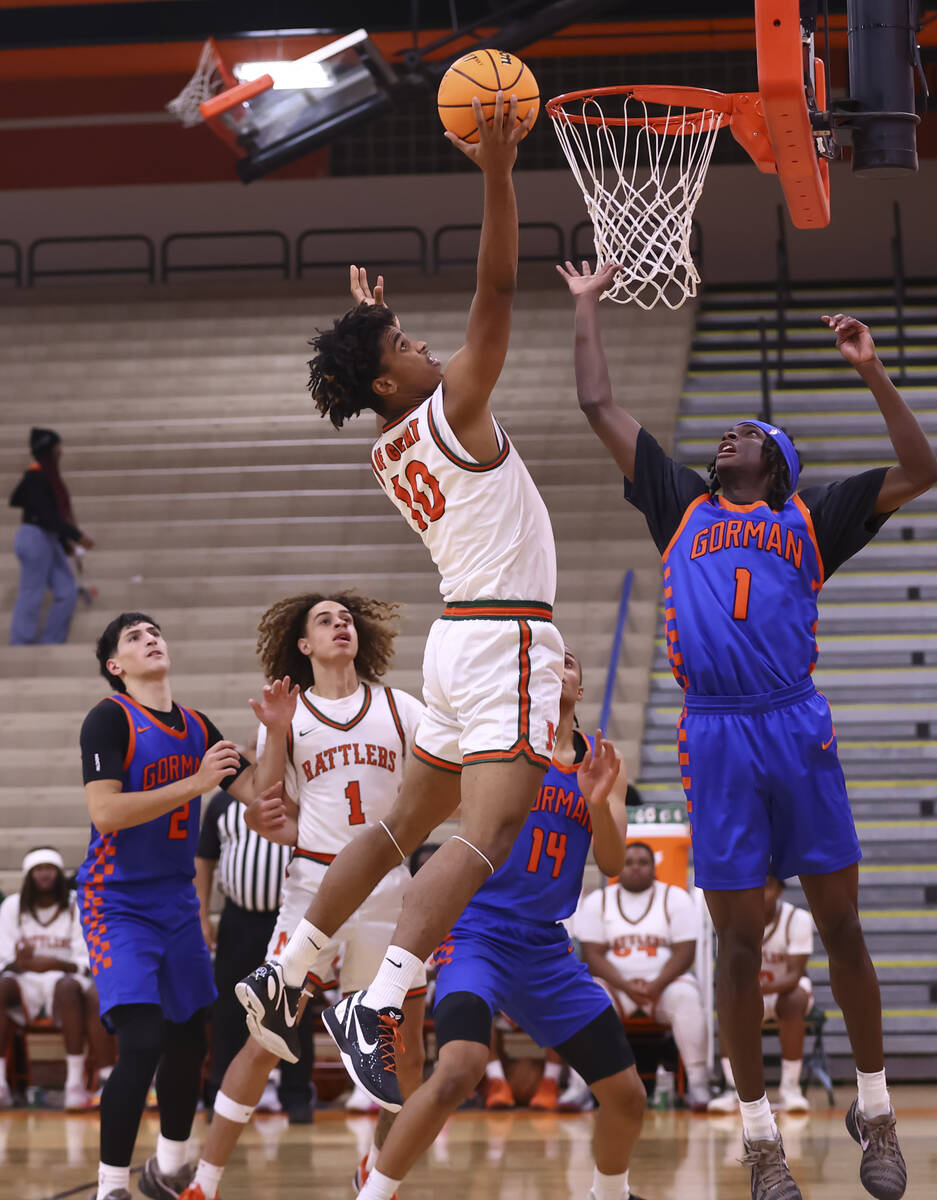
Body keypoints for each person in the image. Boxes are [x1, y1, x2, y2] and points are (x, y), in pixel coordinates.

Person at [558, 258, 937, 1200]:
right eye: (723, 433)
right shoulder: (677, 502)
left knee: (842, 923)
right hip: (716, 734)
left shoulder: (812, 517)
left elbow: (922, 469)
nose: (724, 436)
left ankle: (877, 1110)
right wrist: (584, 307)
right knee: (732, 944)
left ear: (772, 460)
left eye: (745, 433)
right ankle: (759, 1134)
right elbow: (597, 404)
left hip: (795, 725)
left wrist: (872, 371)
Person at [236, 90, 565, 1116]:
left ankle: (288, 970)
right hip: (504, 633)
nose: (428, 348)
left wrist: (371, 324)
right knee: (486, 832)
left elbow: (408, 354)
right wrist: (500, 172)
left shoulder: (393, 442)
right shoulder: (454, 410)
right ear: (390, 385)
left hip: (457, 642)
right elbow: (498, 291)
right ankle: (379, 1003)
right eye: (406, 349)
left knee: (396, 828)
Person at [354, 645, 647, 1200]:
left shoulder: (599, 758)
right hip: (478, 933)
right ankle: (376, 1193)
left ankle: (609, 1194)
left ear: (579, 689)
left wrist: (601, 801)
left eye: (571, 662)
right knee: (460, 1067)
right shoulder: (503, 747)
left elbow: (610, 862)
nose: (560, 667)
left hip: (545, 948)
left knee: (628, 1096)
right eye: (550, 660)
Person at [181, 591, 427, 1200]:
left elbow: (432, 789)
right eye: (325, 621)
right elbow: (269, 811)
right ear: (303, 645)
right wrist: (274, 734)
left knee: (406, 1051)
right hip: (313, 889)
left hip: (391, 888)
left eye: (346, 619)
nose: (340, 625)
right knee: (262, 1040)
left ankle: (376, 1172)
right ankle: (204, 1186)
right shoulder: (291, 715)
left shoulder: (401, 708)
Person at [77, 611, 285, 1200]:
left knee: (191, 1037)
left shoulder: (196, 724)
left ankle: (167, 1168)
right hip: (115, 900)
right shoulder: (108, 718)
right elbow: (106, 814)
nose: (151, 639)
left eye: (155, 632)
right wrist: (195, 784)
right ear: (116, 666)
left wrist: (278, 734)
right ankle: (110, 1186)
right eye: (135, 637)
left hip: (174, 901)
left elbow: (257, 795)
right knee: (142, 1041)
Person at [194, 736, 314, 1120]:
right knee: (228, 1009)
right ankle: (219, 1094)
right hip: (238, 919)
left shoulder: (300, 797)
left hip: (290, 918)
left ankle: (296, 1095)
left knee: (295, 1007)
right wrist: (201, 916)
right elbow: (204, 861)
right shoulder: (222, 804)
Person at [574, 840, 712, 1110]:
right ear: (617, 869)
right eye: (628, 862)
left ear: (654, 868)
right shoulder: (598, 901)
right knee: (587, 999)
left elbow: (685, 952)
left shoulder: (675, 898)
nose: (635, 867)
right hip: (616, 986)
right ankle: (580, 1086)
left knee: (687, 996)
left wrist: (656, 985)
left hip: (664, 986)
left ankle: (698, 1084)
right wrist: (625, 985)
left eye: (643, 862)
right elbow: (592, 955)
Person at [709, 875, 816, 1115]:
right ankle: (731, 1088)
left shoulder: (796, 918)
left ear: (779, 890)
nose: (760, 892)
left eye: (766, 886)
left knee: (795, 1000)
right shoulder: (733, 919)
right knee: (729, 1005)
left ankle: (790, 1088)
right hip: (749, 992)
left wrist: (754, 990)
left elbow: (795, 974)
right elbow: (729, 972)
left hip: (783, 992)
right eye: (754, 885)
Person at [0, 847, 94, 1110]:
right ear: (28, 875)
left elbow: (85, 959)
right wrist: (19, 963)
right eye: (38, 869)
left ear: (59, 873)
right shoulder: (11, 907)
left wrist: (54, 963)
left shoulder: (77, 906)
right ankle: (1, 1084)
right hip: (23, 980)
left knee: (67, 987)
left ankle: (74, 1084)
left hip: (65, 979)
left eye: (50, 868)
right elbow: (3, 958)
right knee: (2, 985)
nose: (44, 874)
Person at [8, 426, 93, 645]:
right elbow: (46, 515)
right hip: (34, 536)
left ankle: (51, 641)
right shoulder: (36, 476)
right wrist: (75, 535)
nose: (60, 452)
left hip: (48, 538)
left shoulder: (45, 476)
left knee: (66, 591)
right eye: (57, 447)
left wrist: (65, 542)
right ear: (50, 450)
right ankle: (20, 641)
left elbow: (50, 517)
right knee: (32, 592)